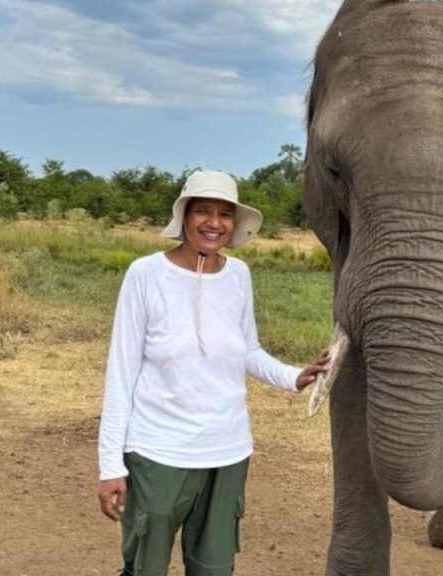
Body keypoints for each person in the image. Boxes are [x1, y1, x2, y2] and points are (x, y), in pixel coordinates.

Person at [96, 169, 330, 576]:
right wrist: (110, 466)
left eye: (224, 214)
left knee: (213, 568)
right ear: (184, 216)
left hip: (228, 450)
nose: (213, 222)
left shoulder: (239, 276)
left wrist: (294, 376)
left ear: (234, 224)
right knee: (144, 567)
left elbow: (248, 351)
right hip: (158, 451)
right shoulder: (145, 275)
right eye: (202, 211)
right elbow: (121, 373)